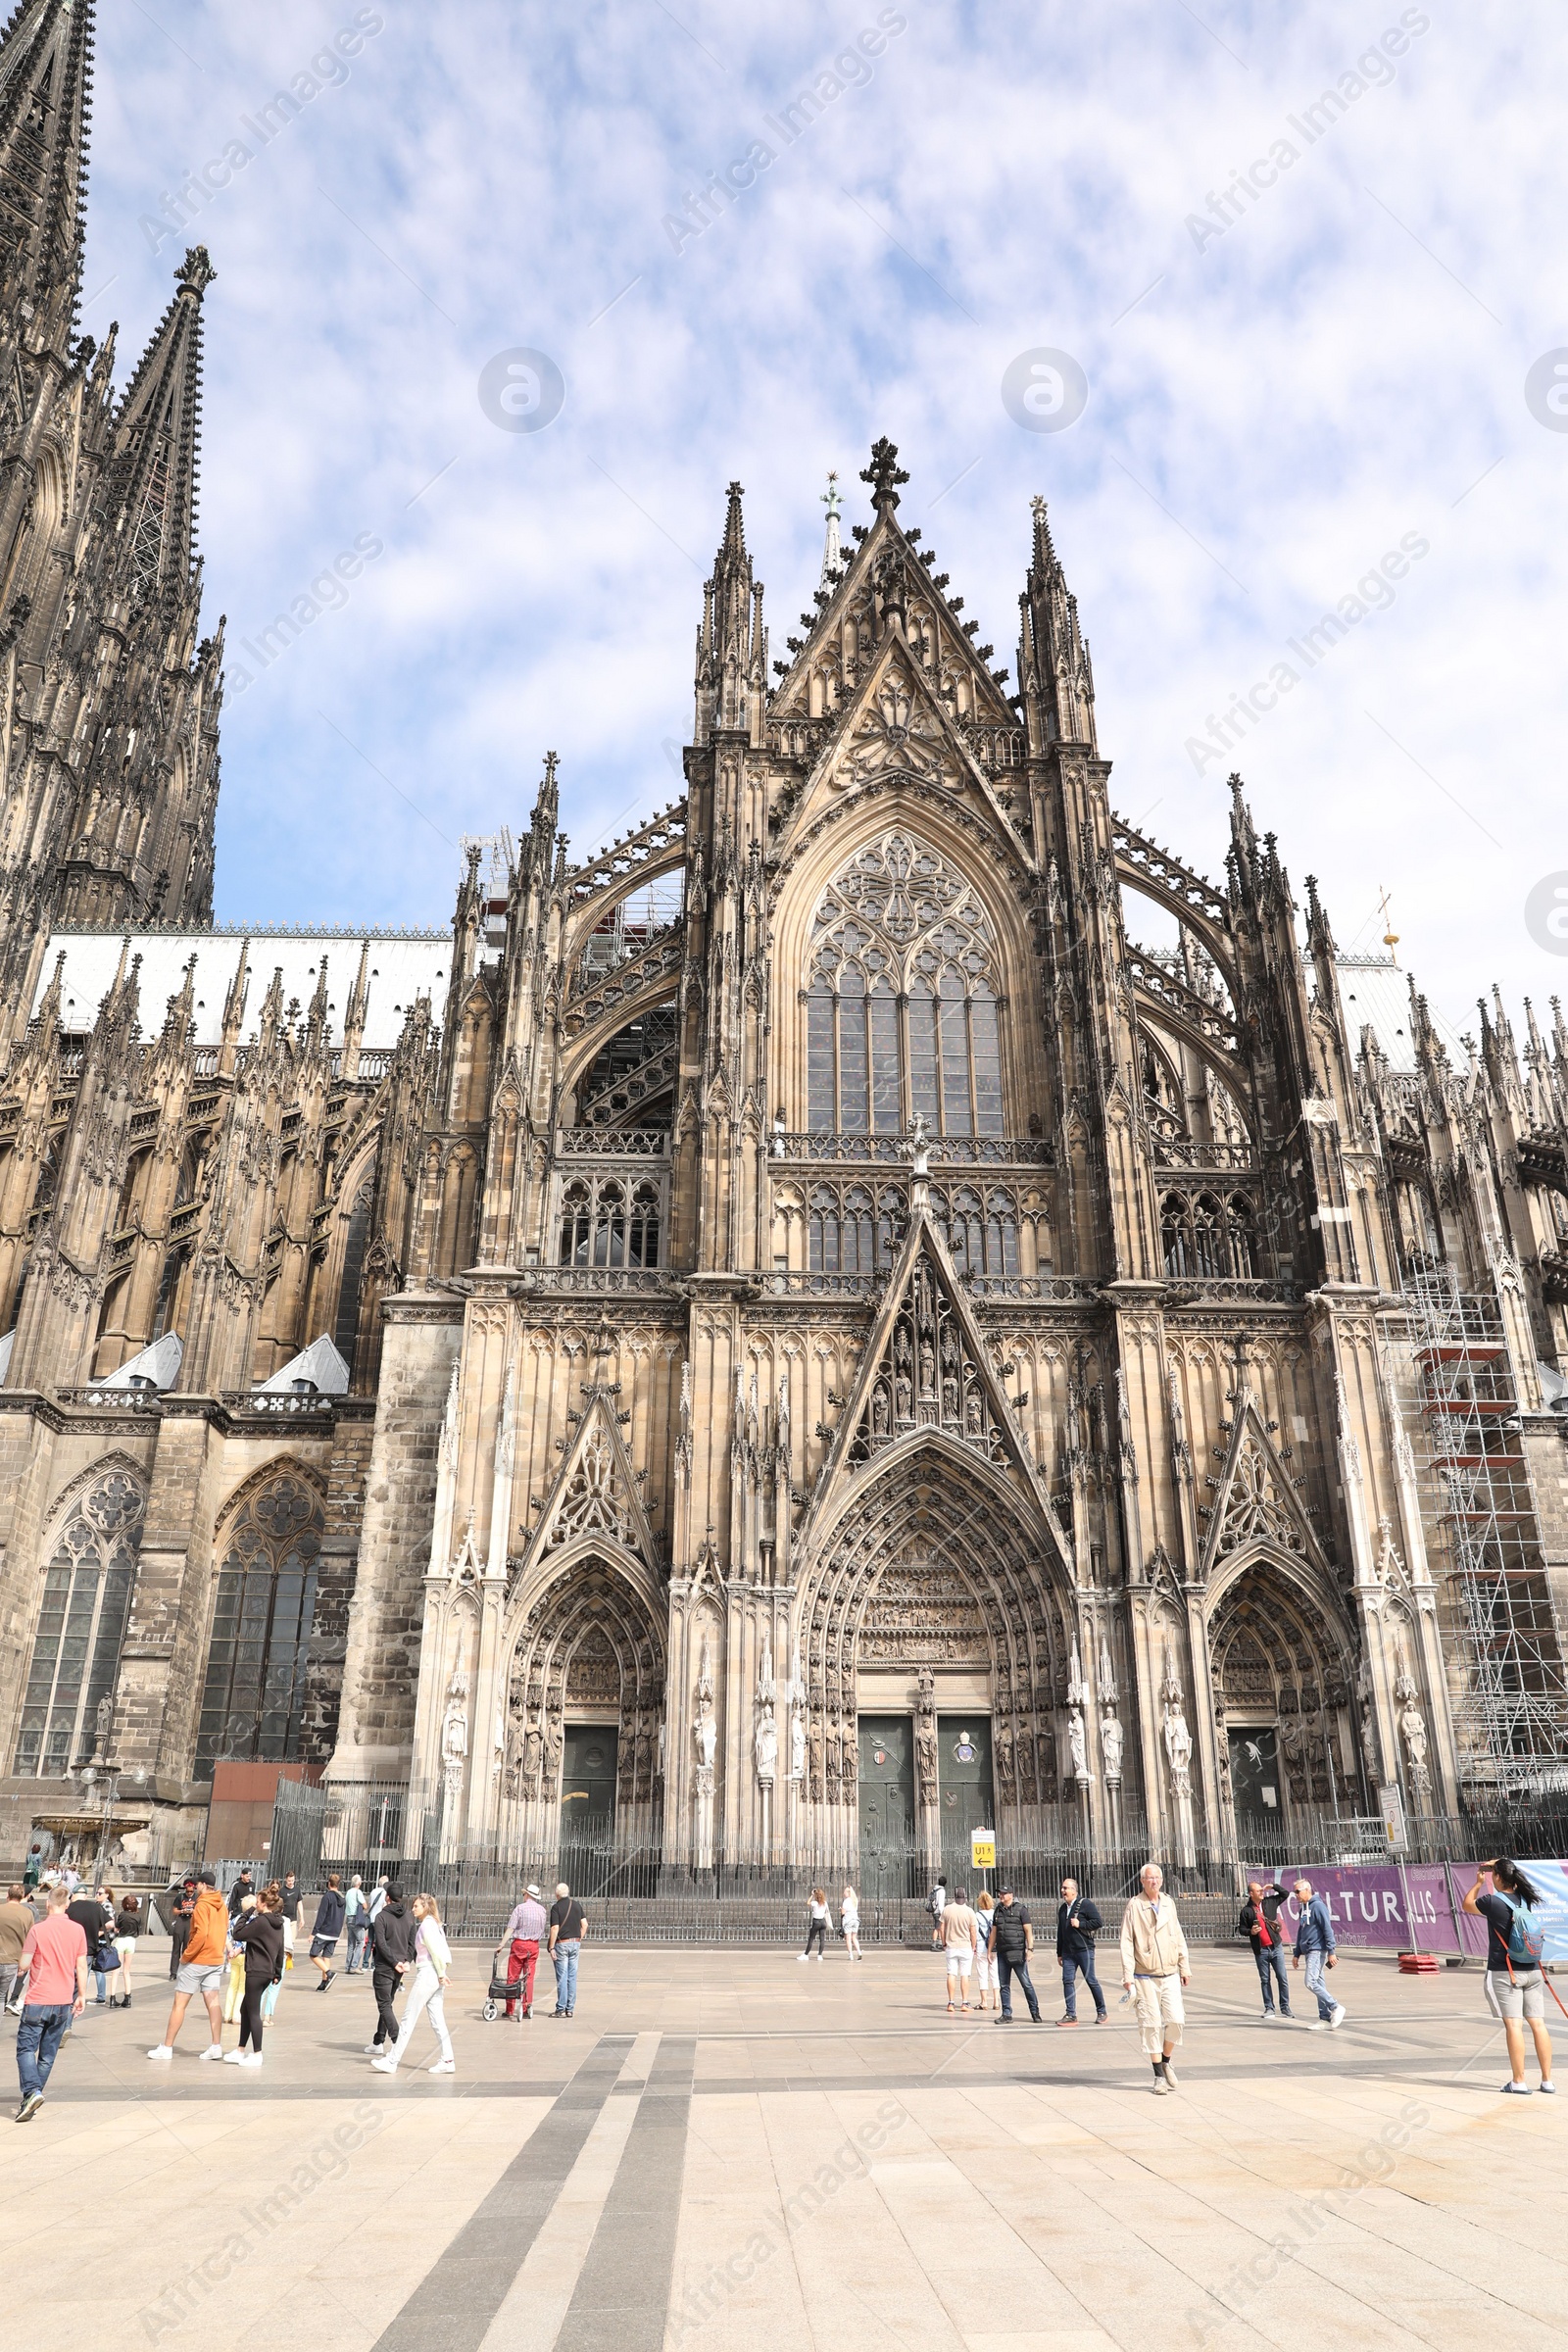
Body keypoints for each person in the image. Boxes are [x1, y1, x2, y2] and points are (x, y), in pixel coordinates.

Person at [1464, 1857, 1555, 2095]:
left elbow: (1466, 1905)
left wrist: (1477, 1882)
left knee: (1514, 2024)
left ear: (1495, 1877)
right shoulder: (1525, 1900)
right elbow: (1510, 1872)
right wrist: (1501, 1864)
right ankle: (1547, 2081)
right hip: (1533, 1969)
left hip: (1507, 1972)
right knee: (1538, 2023)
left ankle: (1518, 2081)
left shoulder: (1491, 1901)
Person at [13, 1884, 88, 2121]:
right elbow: (81, 1965)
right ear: (67, 1905)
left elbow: (24, 1965)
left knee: (25, 2048)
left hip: (38, 1999)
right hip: (63, 2000)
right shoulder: (78, 1931)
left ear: (47, 1903)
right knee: (47, 2054)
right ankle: (33, 2095)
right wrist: (82, 1995)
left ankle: (32, 2091)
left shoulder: (37, 1930)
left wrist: (26, 1962)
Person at [1119, 1861, 1191, 2093]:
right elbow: (1127, 1942)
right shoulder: (1135, 1905)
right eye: (1149, 1878)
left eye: (1157, 1878)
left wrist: (1184, 1966)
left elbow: (1178, 1935)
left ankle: (1166, 2061)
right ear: (1142, 1881)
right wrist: (1127, 1975)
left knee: (1176, 2020)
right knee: (1150, 2025)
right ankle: (1158, 2076)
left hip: (1169, 1972)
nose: (1154, 1882)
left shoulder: (1169, 1903)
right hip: (1144, 1975)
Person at [147, 1866, 229, 2063]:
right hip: (216, 1959)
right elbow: (224, 1930)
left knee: (179, 2004)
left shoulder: (202, 1905)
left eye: (198, 1883)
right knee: (213, 2002)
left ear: (202, 1885)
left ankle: (167, 2047)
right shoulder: (222, 1905)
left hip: (197, 1960)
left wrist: (186, 1955)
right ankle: (216, 2046)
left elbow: (201, 1933)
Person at [371, 1893, 455, 2075]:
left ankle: (392, 2060)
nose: (413, 1909)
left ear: (425, 1907)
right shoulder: (435, 1924)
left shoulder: (426, 1925)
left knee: (408, 2018)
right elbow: (442, 1951)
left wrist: (441, 1974)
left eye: (416, 1906)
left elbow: (434, 1951)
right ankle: (448, 2059)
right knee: (437, 2020)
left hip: (428, 1974)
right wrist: (442, 1973)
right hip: (434, 1974)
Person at [225, 1886, 284, 2069]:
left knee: (252, 2013)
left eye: (257, 1902)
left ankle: (257, 2053)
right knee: (245, 2009)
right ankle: (240, 2050)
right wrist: (277, 1971)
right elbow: (280, 1949)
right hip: (266, 1971)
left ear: (264, 1904)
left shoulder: (261, 1921)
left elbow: (238, 1933)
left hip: (256, 1969)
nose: (255, 1904)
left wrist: (248, 1911)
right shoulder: (278, 1923)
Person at [366, 1883, 416, 2055]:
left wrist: (394, 1962)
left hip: (385, 1965)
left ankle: (397, 2040)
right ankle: (378, 2041)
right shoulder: (409, 1917)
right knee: (387, 2003)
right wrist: (406, 1960)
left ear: (387, 1897)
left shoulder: (381, 1917)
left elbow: (381, 1943)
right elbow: (412, 1943)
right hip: (399, 1967)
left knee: (384, 2004)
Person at [1290, 1876, 1344, 2031]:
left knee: (1310, 1982)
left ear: (1307, 1890)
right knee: (1319, 1983)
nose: (1296, 1895)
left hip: (1317, 1949)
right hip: (1308, 1949)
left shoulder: (1318, 1906)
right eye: (1295, 1892)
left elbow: (1327, 1929)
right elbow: (1302, 1931)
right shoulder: (1304, 1908)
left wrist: (1331, 1951)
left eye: (1298, 1891)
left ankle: (1335, 2006)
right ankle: (1324, 2018)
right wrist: (1296, 1953)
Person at [1239, 1879, 1293, 2022]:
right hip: (1261, 1950)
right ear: (1251, 1894)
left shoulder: (1269, 1902)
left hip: (1276, 1946)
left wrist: (1274, 1886)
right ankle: (1269, 2007)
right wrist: (1251, 1931)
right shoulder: (1246, 1911)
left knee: (1282, 1977)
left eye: (1262, 1890)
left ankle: (1285, 2006)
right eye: (1258, 1891)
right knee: (1265, 1979)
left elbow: (1285, 1894)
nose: (1262, 1892)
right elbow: (1241, 1929)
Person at [1055, 1878, 1107, 2025]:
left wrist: (1081, 1924)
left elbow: (1098, 1922)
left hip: (1084, 1950)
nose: (1063, 1891)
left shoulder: (1085, 1904)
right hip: (1068, 1952)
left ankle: (1102, 2011)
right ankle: (1071, 2014)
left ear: (1074, 1890)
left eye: (1066, 1888)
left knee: (1091, 1980)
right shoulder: (1063, 1909)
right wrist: (1059, 1952)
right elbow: (1061, 1932)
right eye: (1062, 1888)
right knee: (1067, 1981)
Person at [988, 1887, 1043, 2024]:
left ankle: (1035, 2012)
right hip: (1002, 1952)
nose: (1000, 1895)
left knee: (1026, 1984)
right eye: (999, 1893)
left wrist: (1030, 1949)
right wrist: (989, 1950)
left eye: (1003, 1893)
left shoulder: (1021, 1909)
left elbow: (1028, 1930)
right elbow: (994, 1932)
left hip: (1017, 1952)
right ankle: (1006, 2014)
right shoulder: (998, 1911)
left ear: (1011, 1895)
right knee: (1004, 1985)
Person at [501, 1882, 548, 2020]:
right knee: (529, 1977)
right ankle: (526, 2007)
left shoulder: (520, 1909)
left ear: (527, 1895)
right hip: (533, 1945)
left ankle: (509, 2009)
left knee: (512, 1977)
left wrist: (502, 1944)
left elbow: (511, 1928)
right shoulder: (542, 1910)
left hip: (519, 1944)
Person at [66, 1885, 112, 2005]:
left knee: (69, 1976)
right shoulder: (96, 1907)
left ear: (73, 1895)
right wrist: (98, 1932)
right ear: (86, 1896)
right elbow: (111, 1923)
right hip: (89, 1948)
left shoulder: (68, 1908)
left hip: (70, 1949)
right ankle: (79, 1998)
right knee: (82, 1975)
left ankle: (69, 2000)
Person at [548, 1883, 586, 2017]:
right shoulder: (576, 1905)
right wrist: (578, 1938)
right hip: (575, 1943)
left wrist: (551, 1947)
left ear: (557, 1894)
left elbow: (554, 1928)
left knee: (562, 1977)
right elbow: (585, 1924)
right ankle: (570, 2008)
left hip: (562, 1944)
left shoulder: (556, 1908)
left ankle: (561, 2008)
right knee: (572, 1977)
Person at [940, 1885, 980, 2013]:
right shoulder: (969, 1911)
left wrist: (944, 1942)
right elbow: (973, 1932)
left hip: (951, 1946)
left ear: (954, 1896)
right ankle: (964, 2002)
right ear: (965, 1897)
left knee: (951, 1973)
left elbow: (942, 1928)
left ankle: (951, 2003)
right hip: (965, 1946)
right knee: (965, 1974)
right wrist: (974, 1946)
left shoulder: (947, 1909)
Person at [0, 1882, 34, 2018]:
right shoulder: (27, 1913)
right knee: (1, 1995)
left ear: (7, 1895)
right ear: (22, 1896)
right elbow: (30, 1941)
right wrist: (25, 1964)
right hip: (12, 1961)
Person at [310, 1874, 345, 1988]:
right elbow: (341, 1916)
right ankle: (324, 1982)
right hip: (335, 1933)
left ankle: (329, 1973)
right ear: (338, 1885)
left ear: (329, 1884)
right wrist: (338, 1934)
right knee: (326, 1957)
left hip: (324, 1932)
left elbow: (321, 1915)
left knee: (313, 1954)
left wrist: (313, 1932)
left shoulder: (327, 1897)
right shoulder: (342, 1899)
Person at [111, 1892, 143, 2009]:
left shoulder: (122, 1915)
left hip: (121, 1940)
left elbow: (117, 1928)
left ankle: (112, 1998)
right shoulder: (138, 1916)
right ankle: (127, 1997)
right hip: (131, 1942)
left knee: (116, 1970)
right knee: (127, 1971)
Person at [166, 1876, 196, 1979]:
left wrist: (192, 1911)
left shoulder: (197, 1898)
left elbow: (200, 1911)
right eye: (188, 1891)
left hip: (190, 1921)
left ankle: (184, 1971)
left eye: (191, 1891)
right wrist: (182, 1911)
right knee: (176, 1947)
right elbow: (174, 1910)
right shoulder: (180, 1897)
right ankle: (173, 1972)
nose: (189, 1893)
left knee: (187, 1948)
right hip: (181, 1920)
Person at [973, 1892, 1000, 2011]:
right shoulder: (995, 1913)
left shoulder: (977, 1915)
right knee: (995, 1974)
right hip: (994, 1947)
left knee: (982, 1974)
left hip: (981, 1947)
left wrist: (973, 1945)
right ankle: (996, 2001)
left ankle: (984, 2001)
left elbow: (974, 1932)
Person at [344, 1876, 370, 1973]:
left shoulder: (348, 1892)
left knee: (351, 1944)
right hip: (356, 1919)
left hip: (349, 1918)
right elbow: (365, 1905)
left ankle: (347, 1966)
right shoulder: (357, 1892)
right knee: (361, 1942)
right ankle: (354, 1966)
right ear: (359, 1883)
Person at [800, 1887, 830, 1962]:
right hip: (823, 1922)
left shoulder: (815, 1903)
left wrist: (812, 1895)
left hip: (816, 1922)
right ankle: (820, 1955)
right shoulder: (825, 1903)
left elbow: (807, 1903)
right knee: (822, 1939)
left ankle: (806, 1954)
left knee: (811, 1939)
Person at [841, 1885, 861, 1961]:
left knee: (848, 1939)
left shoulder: (846, 1901)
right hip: (855, 1920)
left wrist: (841, 1909)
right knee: (854, 1938)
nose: (843, 1893)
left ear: (848, 1893)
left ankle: (850, 1955)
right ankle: (859, 1952)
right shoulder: (855, 1900)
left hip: (848, 1920)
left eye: (845, 1891)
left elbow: (843, 1912)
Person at [927, 1875, 948, 1948]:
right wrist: (942, 1913)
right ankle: (934, 1943)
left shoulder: (935, 1889)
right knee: (938, 1928)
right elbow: (940, 1903)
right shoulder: (941, 1891)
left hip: (934, 1910)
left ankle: (939, 1942)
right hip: (938, 1911)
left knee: (938, 1927)